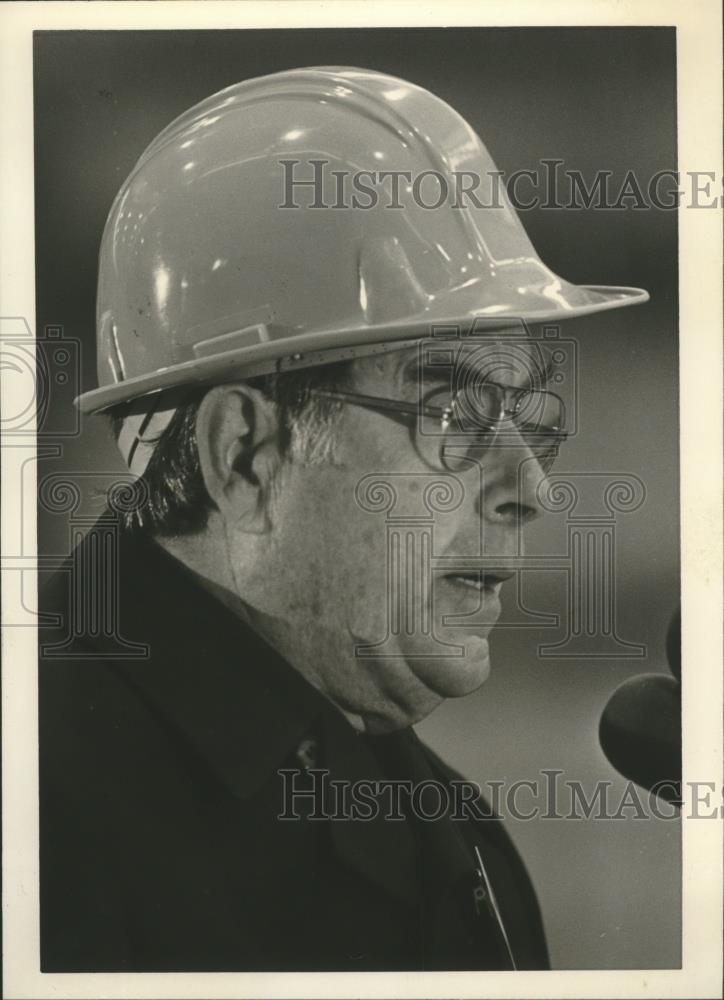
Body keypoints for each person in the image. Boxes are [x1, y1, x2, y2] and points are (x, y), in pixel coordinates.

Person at [39, 66, 648, 972]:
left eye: (525, 415)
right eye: (450, 412)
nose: (529, 488)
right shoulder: (40, 804)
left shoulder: (447, 833)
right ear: (244, 453)